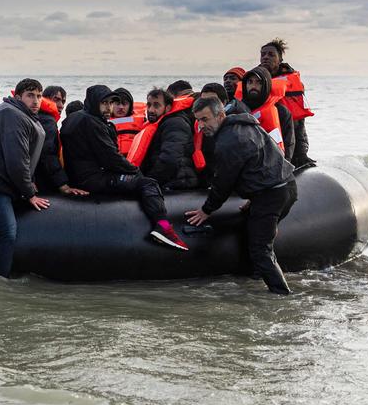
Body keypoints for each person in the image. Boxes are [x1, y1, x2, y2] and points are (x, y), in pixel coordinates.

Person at [186, 96, 297, 294]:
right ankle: (255, 281)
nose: (201, 126)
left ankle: (282, 296)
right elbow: (268, 159)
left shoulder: (229, 141)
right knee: (257, 237)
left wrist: (206, 210)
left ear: (220, 115)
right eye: (198, 120)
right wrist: (255, 197)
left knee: (260, 250)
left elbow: (223, 183)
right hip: (286, 186)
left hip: (271, 194)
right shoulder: (245, 124)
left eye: (205, 119)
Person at [60, 85, 189, 252]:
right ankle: (164, 227)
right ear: (94, 102)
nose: (109, 108)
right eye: (104, 103)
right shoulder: (93, 123)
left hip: (78, 177)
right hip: (94, 179)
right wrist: (137, 174)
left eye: (110, 103)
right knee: (148, 184)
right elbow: (111, 158)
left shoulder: (74, 118)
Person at [0, 79, 52, 276]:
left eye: (39, 96)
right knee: (8, 232)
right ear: (18, 97)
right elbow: (16, 161)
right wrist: (29, 193)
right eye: (30, 95)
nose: (36, 101)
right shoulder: (13, 116)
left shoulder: (8, 111)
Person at [127, 87, 201, 190]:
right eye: (149, 105)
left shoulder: (175, 124)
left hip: (178, 182)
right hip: (167, 181)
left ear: (168, 108)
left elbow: (170, 159)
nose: (151, 110)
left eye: (156, 105)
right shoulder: (157, 124)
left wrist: (149, 182)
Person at [260, 38, 315, 166]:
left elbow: (300, 123)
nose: (265, 57)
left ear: (280, 60)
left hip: (290, 138)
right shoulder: (254, 81)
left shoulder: (293, 84)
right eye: (263, 54)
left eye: (271, 54)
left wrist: (302, 154)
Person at [34, 94, 88, 199]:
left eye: (63, 101)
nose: (61, 105)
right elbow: (47, 153)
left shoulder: (39, 118)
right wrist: (62, 185)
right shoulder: (47, 121)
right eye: (56, 100)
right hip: (44, 182)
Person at [241, 66, 293, 158]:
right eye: (250, 82)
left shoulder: (281, 112)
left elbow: (288, 144)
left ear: (266, 85)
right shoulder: (237, 110)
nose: (253, 86)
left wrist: (284, 168)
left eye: (259, 82)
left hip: (272, 163)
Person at [107, 87, 145, 156]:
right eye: (117, 104)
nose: (121, 107)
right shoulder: (102, 122)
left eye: (125, 104)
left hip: (133, 160)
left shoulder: (143, 120)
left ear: (130, 106)